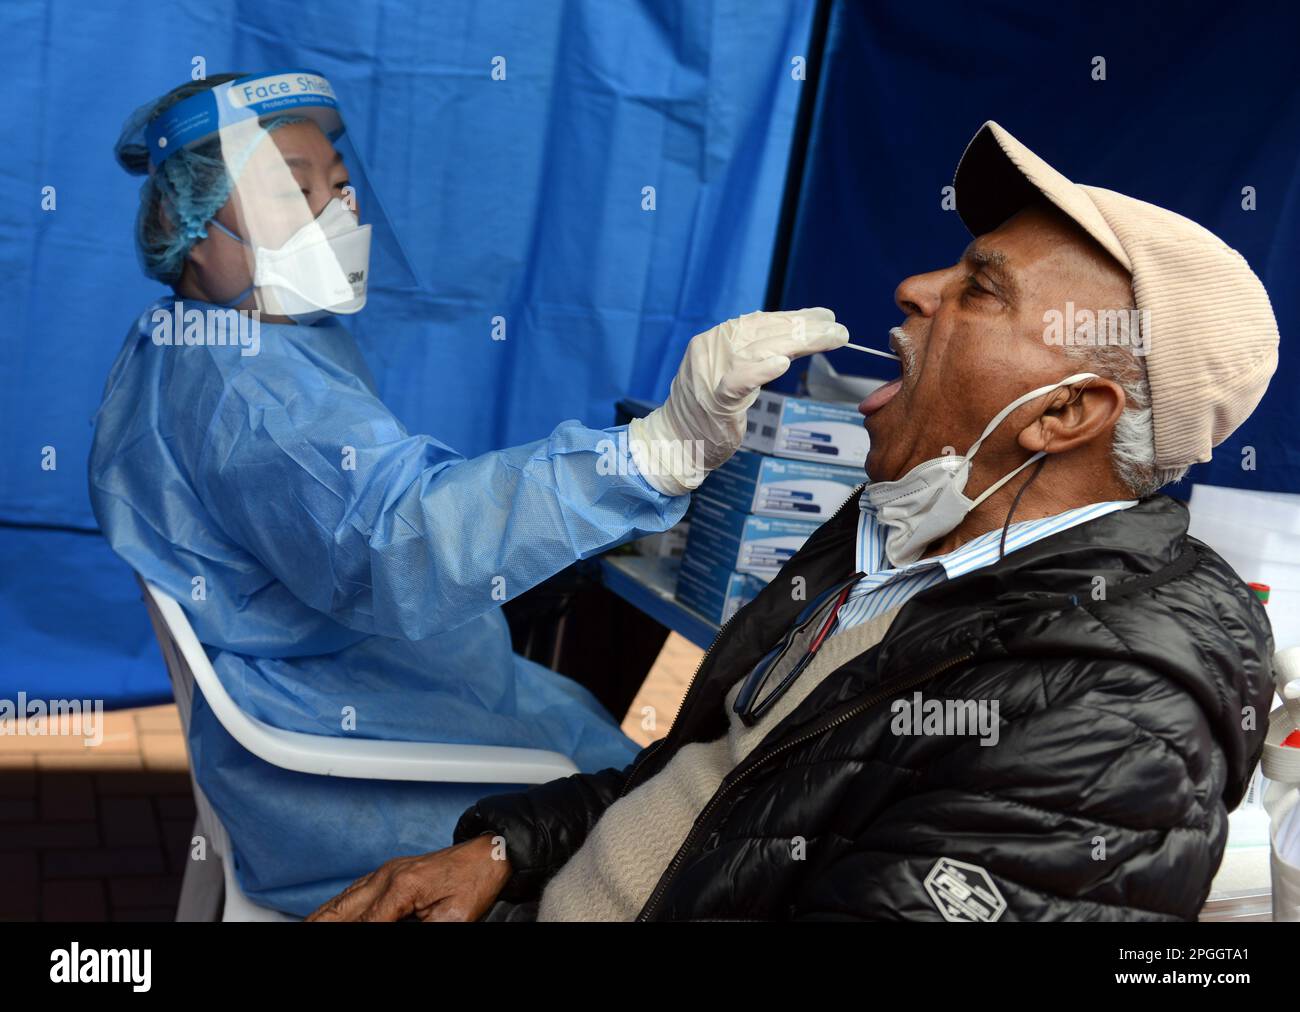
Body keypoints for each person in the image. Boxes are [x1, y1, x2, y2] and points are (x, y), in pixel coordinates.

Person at [309, 120, 1280, 922]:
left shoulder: (1109, 718)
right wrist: (505, 848)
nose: (913, 288)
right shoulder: (890, 534)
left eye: (979, 288)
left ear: (1063, 413)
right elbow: (712, 782)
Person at [89, 70, 846, 915]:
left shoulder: (207, 341)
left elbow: (365, 504)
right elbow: (397, 536)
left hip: (342, 683)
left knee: (623, 753)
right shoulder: (249, 390)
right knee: (657, 815)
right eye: (289, 193)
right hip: (334, 763)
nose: (336, 214)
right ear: (195, 231)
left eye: (339, 188)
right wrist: (649, 456)